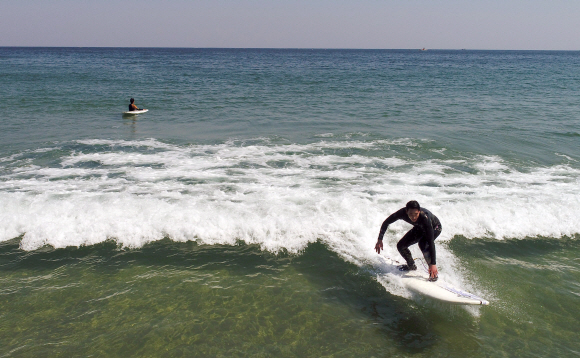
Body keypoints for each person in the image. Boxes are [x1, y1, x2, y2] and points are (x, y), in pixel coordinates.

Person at [374, 200, 442, 280]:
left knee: (423, 243)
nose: (413, 217)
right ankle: (411, 266)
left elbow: (431, 242)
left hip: (435, 228)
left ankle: (433, 273)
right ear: (406, 212)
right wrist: (380, 240)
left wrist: (433, 263)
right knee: (401, 246)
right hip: (419, 227)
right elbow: (386, 222)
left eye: (416, 214)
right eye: (411, 214)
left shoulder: (425, 218)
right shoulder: (401, 213)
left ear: (419, 211)